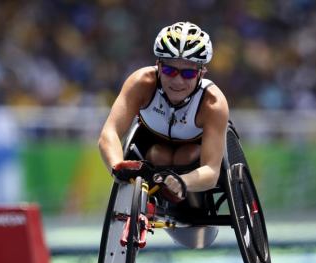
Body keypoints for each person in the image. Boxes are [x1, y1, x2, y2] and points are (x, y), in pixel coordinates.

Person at [98, 21, 229, 203]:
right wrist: (117, 166)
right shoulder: (141, 83)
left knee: (186, 155)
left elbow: (212, 170)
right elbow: (108, 133)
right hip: (150, 150)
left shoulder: (213, 103)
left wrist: (182, 181)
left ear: (201, 73)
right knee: (159, 154)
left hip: (192, 162)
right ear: (158, 66)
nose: (178, 81)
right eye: (169, 70)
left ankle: (190, 206)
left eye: (188, 74)